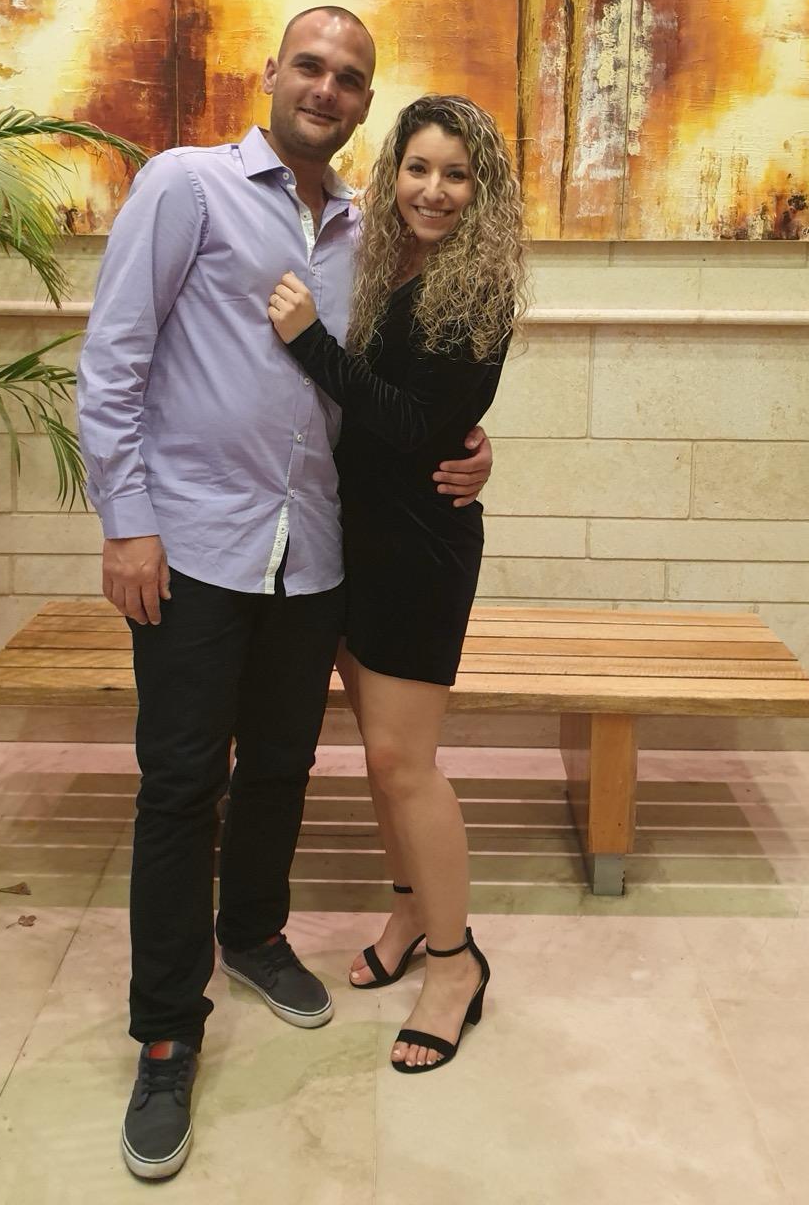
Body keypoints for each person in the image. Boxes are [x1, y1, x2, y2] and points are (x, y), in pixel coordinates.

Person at [75, 8, 493, 1181]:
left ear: (366, 103)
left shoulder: (370, 230)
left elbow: (393, 388)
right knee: (181, 785)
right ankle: (168, 1031)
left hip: (313, 555)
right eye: (310, 65)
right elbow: (113, 359)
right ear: (271, 73)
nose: (327, 87)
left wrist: (468, 445)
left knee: (280, 766)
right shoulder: (187, 186)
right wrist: (127, 522)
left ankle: (253, 930)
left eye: (350, 77)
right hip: (193, 547)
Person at [267, 93, 526, 1072]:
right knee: (383, 761)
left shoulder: (478, 291)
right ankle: (413, 911)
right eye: (419, 168)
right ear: (393, 173)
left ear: (482, 191)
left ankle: (456, 964)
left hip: (419, 550)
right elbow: (398, 416)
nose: (434, 189)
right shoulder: (387, 266)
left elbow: (415, 425)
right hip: (355, 539)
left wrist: (307, 340)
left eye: (457, 174)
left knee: (404, 761)